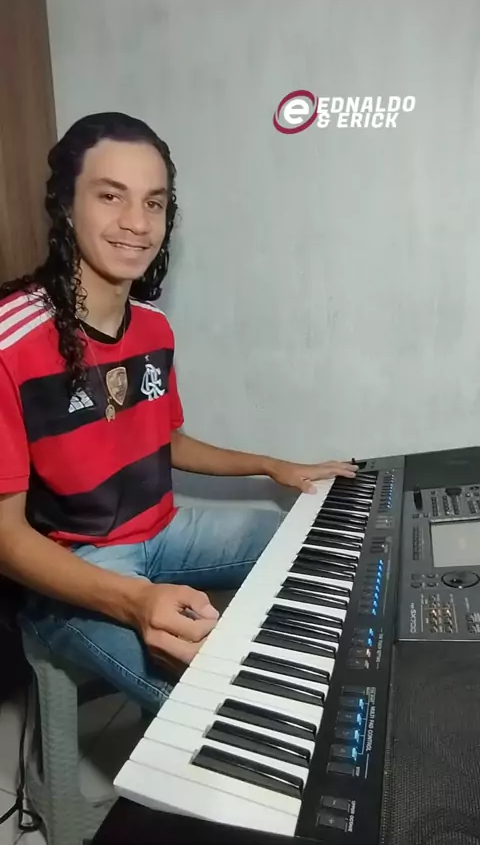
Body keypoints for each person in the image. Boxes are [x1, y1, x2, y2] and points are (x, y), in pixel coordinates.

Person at [0, 112, 357, 713]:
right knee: (221, 698)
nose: (138, 223)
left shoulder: (153, 327)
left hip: (162, 532)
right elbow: (5, 538)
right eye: (110, 196)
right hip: (72, 568)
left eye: (154, 202)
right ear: (65, 205)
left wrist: (272, 465)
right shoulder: (10, 342)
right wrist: (137, 601)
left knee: (322, 550)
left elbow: (165, 440)